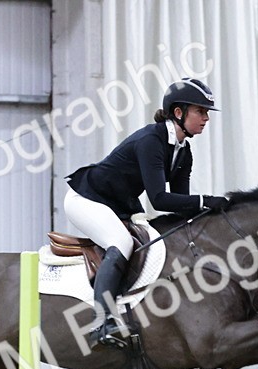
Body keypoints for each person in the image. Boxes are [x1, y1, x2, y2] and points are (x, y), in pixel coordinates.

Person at [64, 77, 231, 349]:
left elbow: (181, 205)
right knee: (121, 242)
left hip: (116, 204)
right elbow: (160, 199)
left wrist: (210, 214)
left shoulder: (183, 152)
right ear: (179, 112)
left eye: (207, 113)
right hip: (86, 199)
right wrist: (205, 200)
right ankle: (101, 321)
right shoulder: (151, 140)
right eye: (200, 111)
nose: (206, 118)